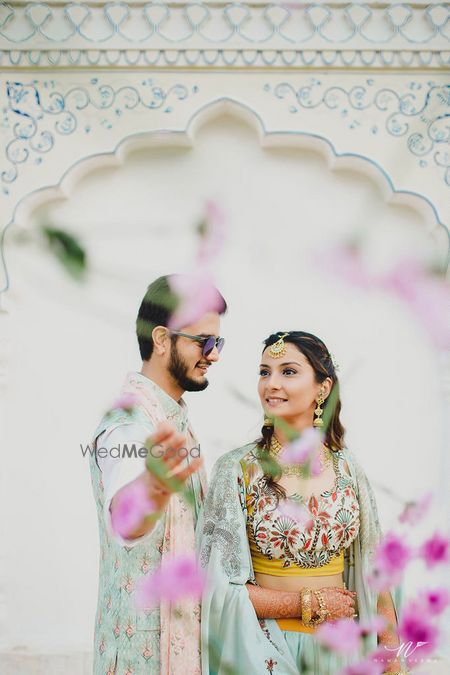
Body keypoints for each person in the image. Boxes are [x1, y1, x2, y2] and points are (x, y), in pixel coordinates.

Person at [197, 331, 407, 674]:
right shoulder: (237, 470)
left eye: (288, 371)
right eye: (265, 372)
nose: (271, 383)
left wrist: (391, 657)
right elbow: (217, 586)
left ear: (322, 388)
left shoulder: (347, 467)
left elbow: (375, 569)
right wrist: (305, 603)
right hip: (265, 649)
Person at [89, 274, 227, 675]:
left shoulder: (171, 416)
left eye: (218, 343)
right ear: (163, 339)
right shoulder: (129, 422)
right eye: (204, 342)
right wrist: (152, 488)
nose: (213, 355)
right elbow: (126, 519)